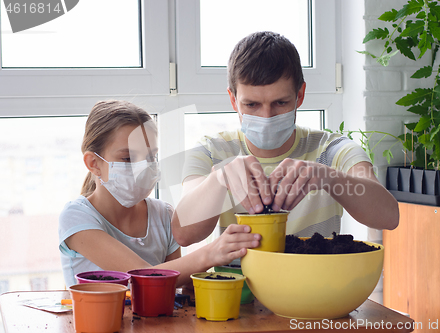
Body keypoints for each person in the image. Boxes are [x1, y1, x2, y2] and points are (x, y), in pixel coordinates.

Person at [171, 31, 399, 247]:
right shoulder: (211, 150)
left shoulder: (332, 150)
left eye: (280, 103)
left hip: (314, 285)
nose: (266, 116)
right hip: (236, 287)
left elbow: (388, 217)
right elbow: (183, 234)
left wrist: (328, 177)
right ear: (233, 100)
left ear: (299, 95)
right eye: (251, 105)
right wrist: (219, 180)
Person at [58, 100, 260, 287]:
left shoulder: (163, 215)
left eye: (150, 156)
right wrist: (211, 254)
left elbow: (176, 285)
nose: (143, 167)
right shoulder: (77, 217)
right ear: (94, 163)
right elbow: (142, 277)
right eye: (128, 158)